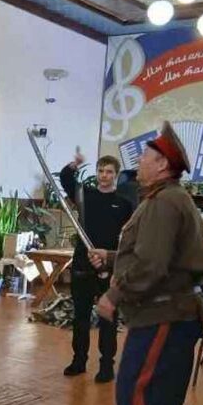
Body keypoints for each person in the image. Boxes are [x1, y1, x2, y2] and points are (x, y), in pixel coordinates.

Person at [88, 121, 203, 405]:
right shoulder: (165, 198)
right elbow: (150, 254)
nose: (138, 161)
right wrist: (112, 258)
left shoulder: (164, 203)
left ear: (162, 165)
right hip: (169, 314)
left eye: (145, 155)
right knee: (159, 397)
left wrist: (114, 294)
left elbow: (151, 266)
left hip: (163, 316)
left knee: (138, 394)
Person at [59, 152, 134, 383]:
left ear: (116, 175)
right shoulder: (85, 195)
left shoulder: (124, 204)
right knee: (80, 316)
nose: (104, 175)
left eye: (109, 172)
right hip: (83, 263)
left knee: (107, 317)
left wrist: (115, 262)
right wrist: (74, 165)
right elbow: (66, 180)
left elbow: (132, 236)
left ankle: (106, 366)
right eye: (101, 171)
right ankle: (79, 360)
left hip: (108, 266)